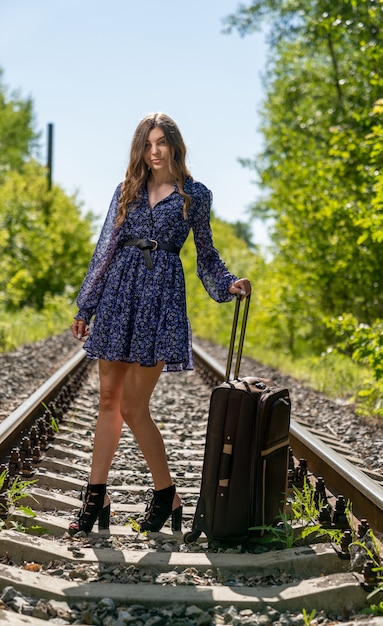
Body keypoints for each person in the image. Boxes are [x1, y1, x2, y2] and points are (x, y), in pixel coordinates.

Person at [69, 112, 251, 535]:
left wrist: (228, 284)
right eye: (147, 144)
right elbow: (104, 251)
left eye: (161, 143)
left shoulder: (195, 195)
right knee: (108, 401)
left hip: (160, 303)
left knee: (134, 406)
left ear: (174, 145)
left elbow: (205, 255)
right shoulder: (127, 191)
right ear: (140, 148)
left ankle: (166, 492)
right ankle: (97, 495)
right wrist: (86, 307)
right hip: (118, 295)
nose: (154, 151)